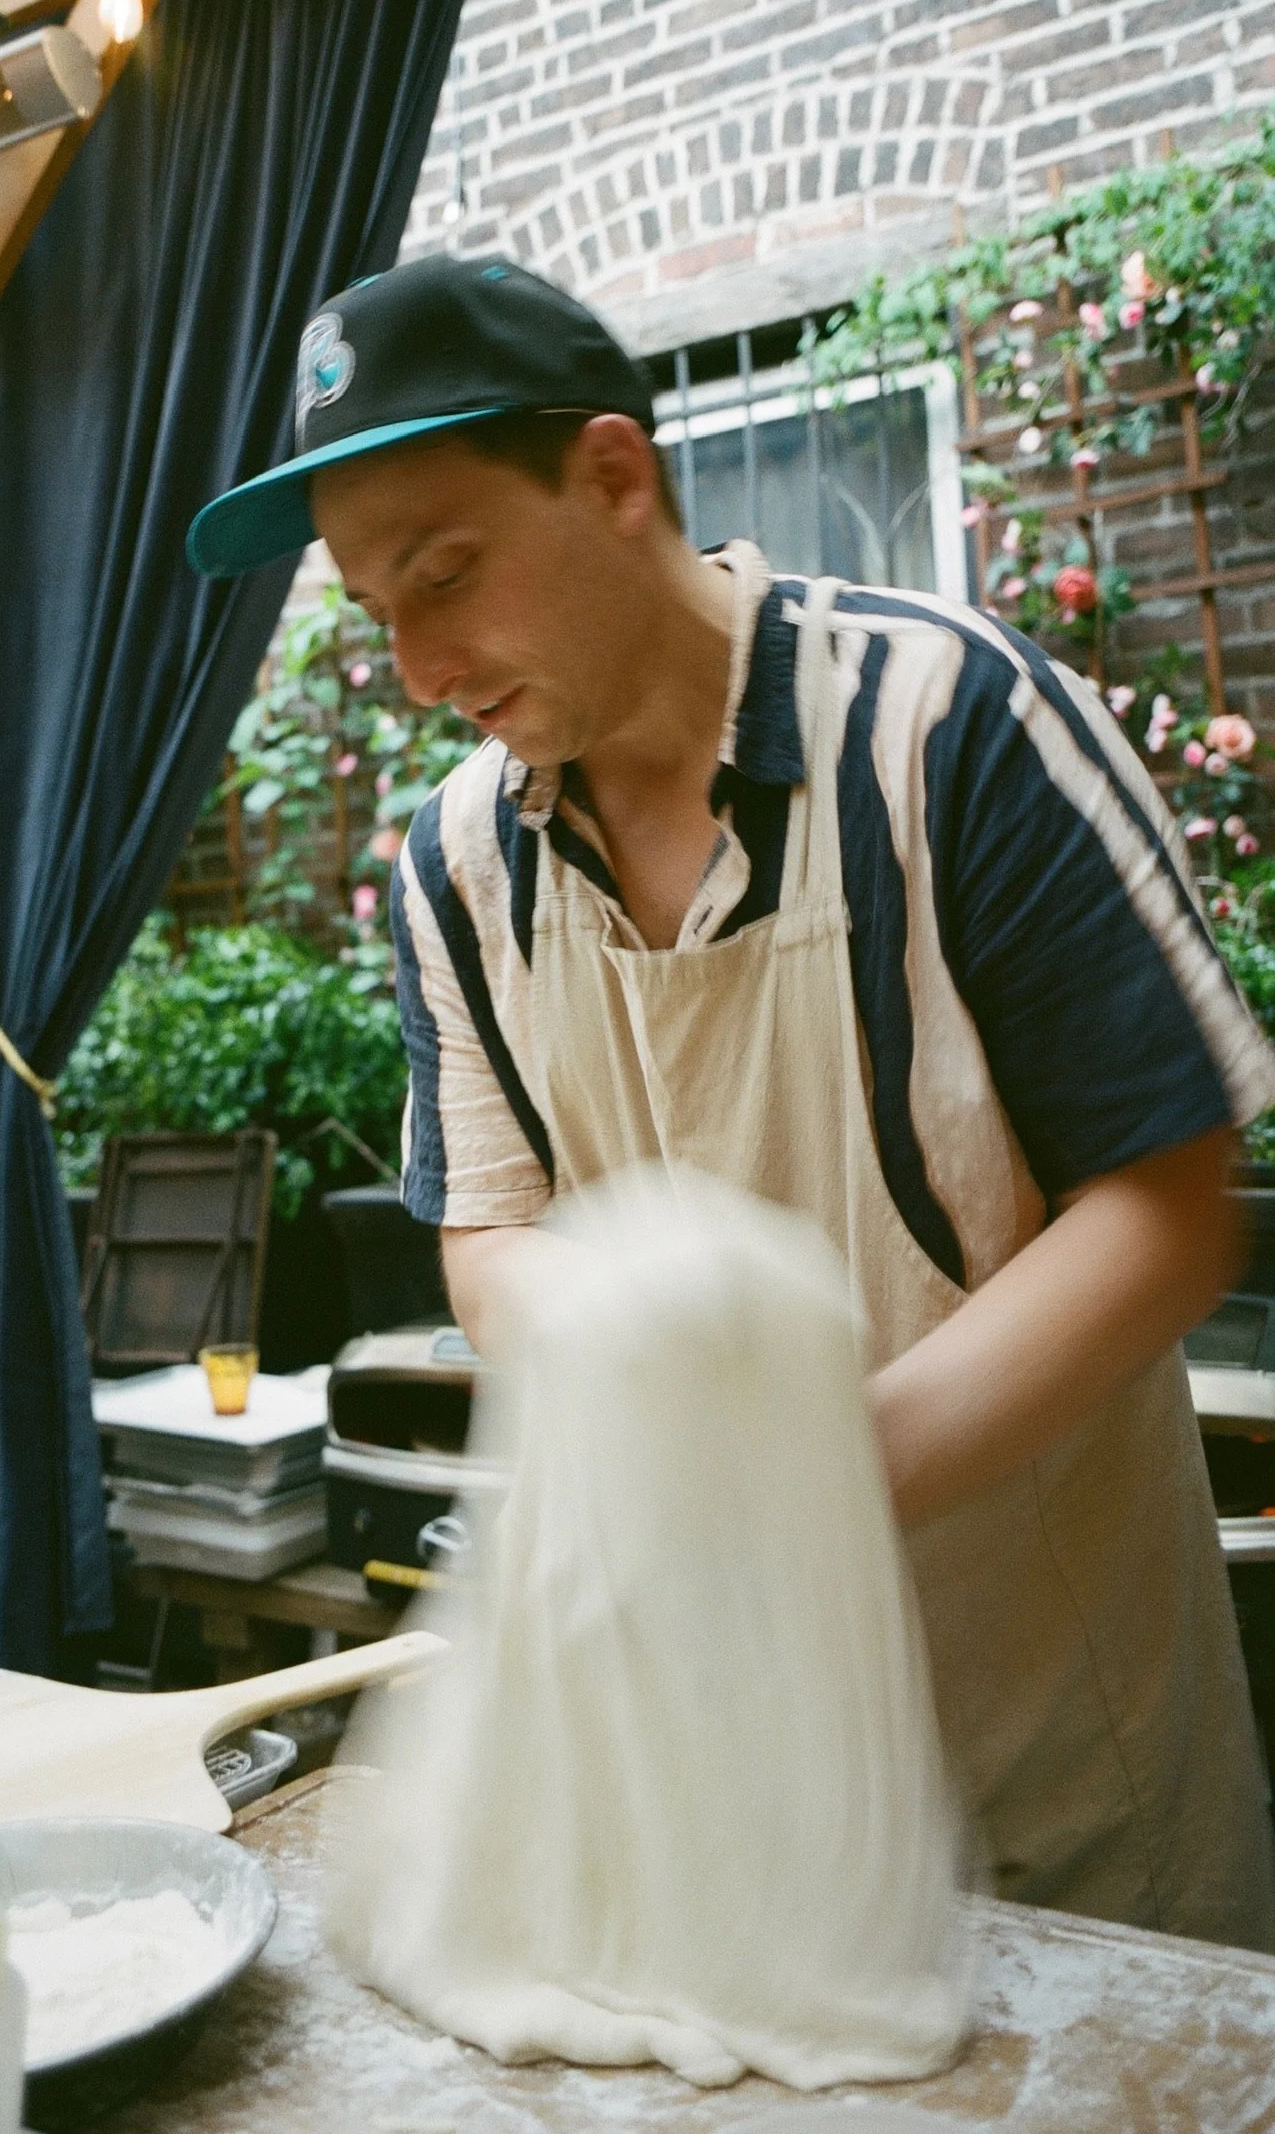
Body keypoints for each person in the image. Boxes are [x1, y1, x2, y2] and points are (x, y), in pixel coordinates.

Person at [189, 253, 1275, 1950]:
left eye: (447, 574)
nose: (414, 664)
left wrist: (806, 1473)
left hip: (1052, 1766)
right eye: (372, 606)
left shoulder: (945, 726)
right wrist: (636, 1370)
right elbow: (490, 1235)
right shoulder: (460, 866)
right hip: (709, 1785)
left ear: (615, 479)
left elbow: (1167, 1209)